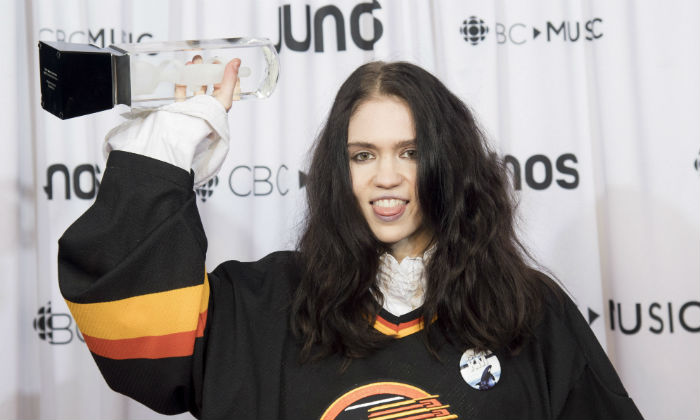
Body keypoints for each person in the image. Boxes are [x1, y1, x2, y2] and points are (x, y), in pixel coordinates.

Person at [58, 58, 643, 419]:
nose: (386, 176)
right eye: (363, 155)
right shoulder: (263, 305)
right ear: (340, 171)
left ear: (451, 164)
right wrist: (163, 156)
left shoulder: (527, 310)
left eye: (410, 153)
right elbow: (131, 338)